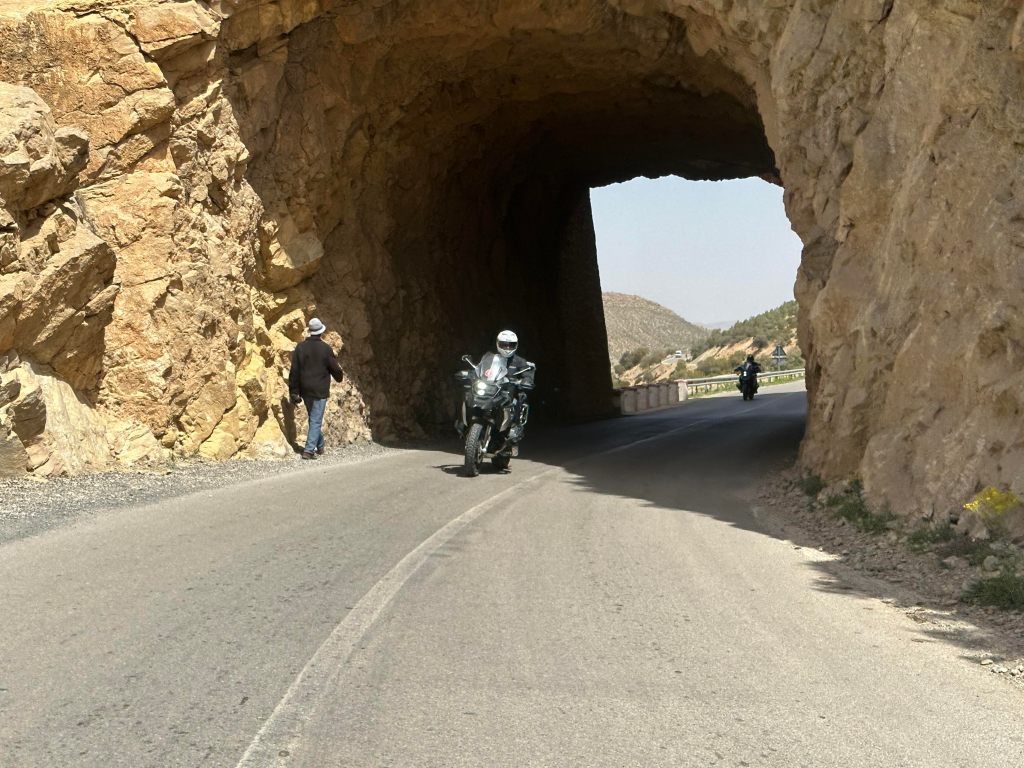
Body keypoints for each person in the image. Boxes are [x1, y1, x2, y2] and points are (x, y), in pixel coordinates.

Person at [288, 317, 343, 459]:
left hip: (305, 390)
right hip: (320, 390)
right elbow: (335, 369)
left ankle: (320, 445)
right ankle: (308, 450)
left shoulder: (300, 348)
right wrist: (339, 376)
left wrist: (294, 391)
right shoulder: (326, 349)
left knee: (314, 419)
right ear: (321, 332)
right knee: (316, 420)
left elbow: (294, 371)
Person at [495, 329, 534, 441]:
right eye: (504, 345)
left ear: (516, 346)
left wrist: (526, 380)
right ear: (498, 344)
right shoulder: (491, 358)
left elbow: (528, 373)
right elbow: (481, 369)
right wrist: (471, 373)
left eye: (510, 345)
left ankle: (514, 426)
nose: (507, 348)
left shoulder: (520, 361)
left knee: (519, 398)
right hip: (494, 389)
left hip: (510, 391)